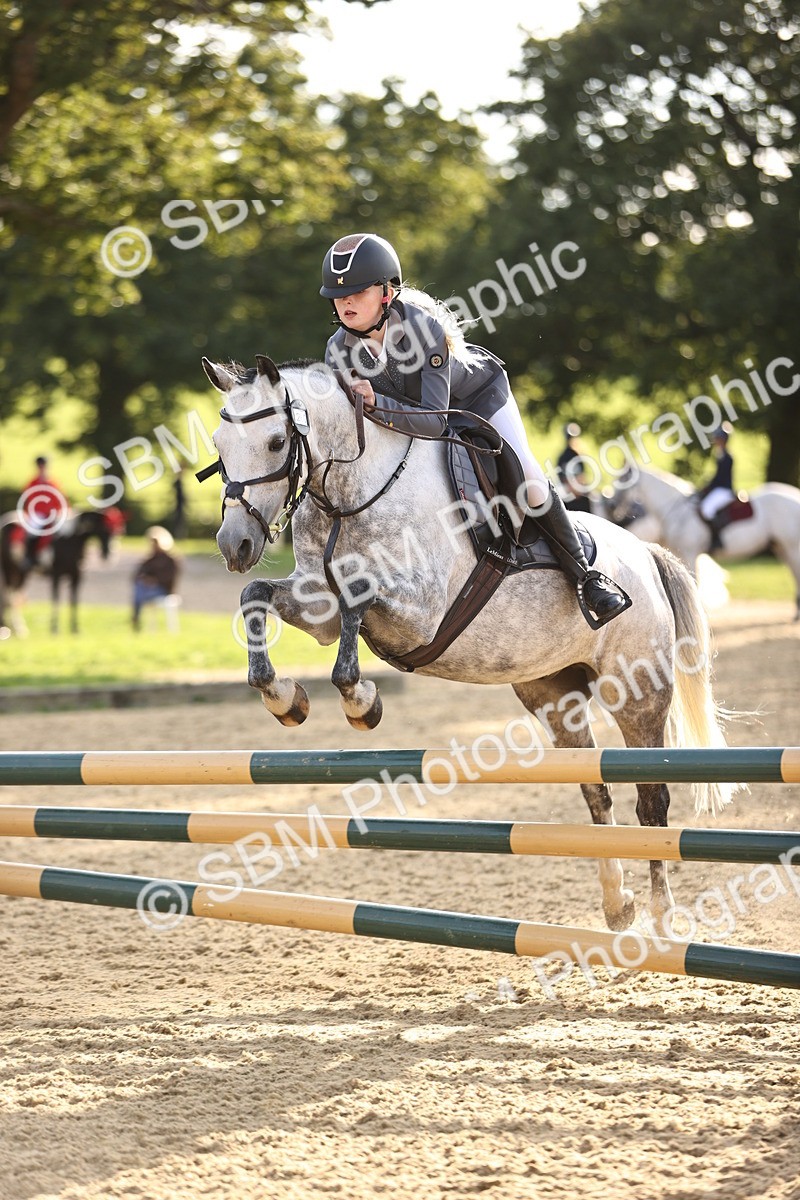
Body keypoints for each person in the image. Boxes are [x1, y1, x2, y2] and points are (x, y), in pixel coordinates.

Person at [319, 232, 629, 625]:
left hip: (477, 400)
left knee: (529, 481)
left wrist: (377, 403)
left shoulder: (423, 329)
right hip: (415, 414)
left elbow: (435, 420)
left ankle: (587, 576)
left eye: (358, 292)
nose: (345, 301)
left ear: (386, 292)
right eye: (337, 294)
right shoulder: (337, 350)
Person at [20, 456, 68, 569]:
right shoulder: (33, 482)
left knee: (64, 531)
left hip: (53, 513)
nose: (42, 468)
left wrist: (60, 510)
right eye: (40, 466)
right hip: (38, 513)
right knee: (32, 530)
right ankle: (29, 557)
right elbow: (29, 497)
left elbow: (60, 497)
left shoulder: (53, 482)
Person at [132, 526, 180, 630]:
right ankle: (136, 619)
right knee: (139, 586)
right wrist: (145, 579)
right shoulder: (150, 560)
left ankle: (136, 618)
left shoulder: (170, 560)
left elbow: (170, 577)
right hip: (149, 589)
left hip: (164, 590)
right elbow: (137, 575)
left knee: (139, 593)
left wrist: (155, 581)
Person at [697, 426, 735, 550]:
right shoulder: (720, 455)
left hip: (724, 490)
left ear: (723, 440)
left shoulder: (727, 457)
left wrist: (709, 487)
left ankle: (716, 539)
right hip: (719, 489)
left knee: (707, 509)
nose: (715, 441)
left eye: (717, 439)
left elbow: (721, 479)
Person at [557, 422, 592, 514]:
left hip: (579, 492)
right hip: (569, 492)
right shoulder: (563, 457)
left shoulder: (577, 456)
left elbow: (582, 476)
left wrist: (580, 488)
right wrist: (573, 489)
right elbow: (562, 478)